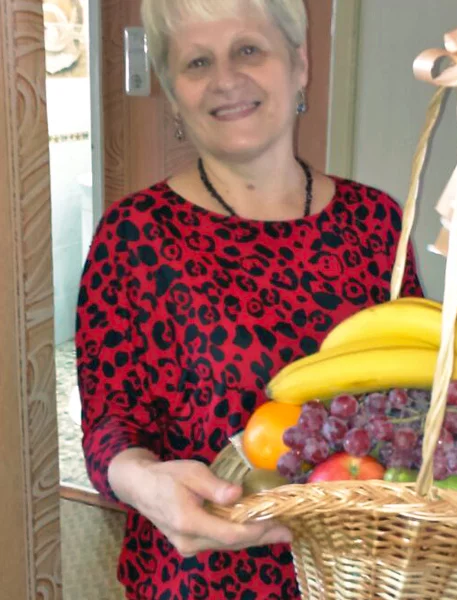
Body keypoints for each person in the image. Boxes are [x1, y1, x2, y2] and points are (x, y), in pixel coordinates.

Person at [75, 0, 423, 598]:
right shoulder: (136, 234)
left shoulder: (377, 221)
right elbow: (111, 418)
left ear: (300, 64)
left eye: (248, 50)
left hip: (357, 568)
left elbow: (416, 394)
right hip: (205, 573)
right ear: (173, 93)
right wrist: (137, 478)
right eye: (197, 62)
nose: (225, 79)